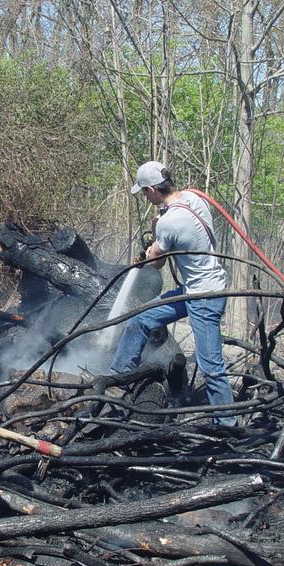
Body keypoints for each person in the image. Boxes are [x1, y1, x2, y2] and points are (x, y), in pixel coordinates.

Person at [109, 161, 236, 426]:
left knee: (211, 367)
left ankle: (227, 425)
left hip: (204, 297)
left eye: (145, 193)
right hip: (195, 289)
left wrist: (155, 236)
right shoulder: (194, 198)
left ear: (153, 189)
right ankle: (117, 380)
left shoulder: (169, 223)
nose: (145, 198)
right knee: (142, 319)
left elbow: (157, 263)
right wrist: (161, 226)